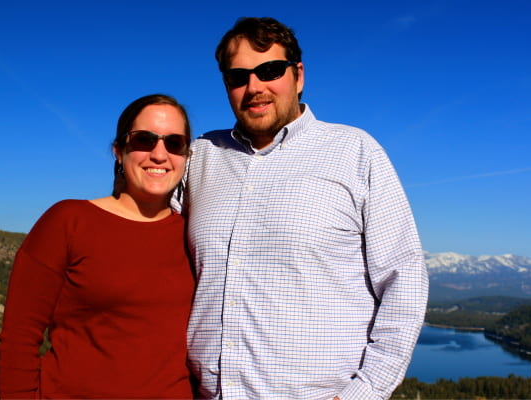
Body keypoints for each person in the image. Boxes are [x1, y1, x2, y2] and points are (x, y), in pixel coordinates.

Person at [181, 17, 429, 399]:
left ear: (298, 76)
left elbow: (404, 278)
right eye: (238, 77)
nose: (254, 87)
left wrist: (365, 392)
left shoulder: (355, 152)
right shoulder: (200, 156)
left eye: (269, 71)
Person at [0, 94, 195, 399]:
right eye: (144, 140)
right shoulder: (69, 221)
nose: (159, 154)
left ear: (185, 155)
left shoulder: (194, 234)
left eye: (174, 143)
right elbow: (18, 341)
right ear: (119, 151)